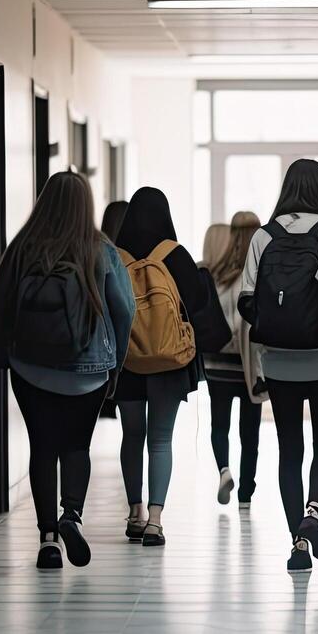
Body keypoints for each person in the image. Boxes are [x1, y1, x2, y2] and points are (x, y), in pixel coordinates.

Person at [0, 171, 135, 569]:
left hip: (30, 366)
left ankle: (48, 538)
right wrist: (114, 365)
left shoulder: (23, 247)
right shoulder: (100, 249)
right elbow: (125, 310)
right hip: (87, 371)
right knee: (76, 447)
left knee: (43, 447)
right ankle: (72, 516)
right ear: (85, 203)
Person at [239, 159, 318, 572]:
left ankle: (298, 545)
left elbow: (245, 302)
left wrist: (274, 325)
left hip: (278, 360)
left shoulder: (264, 235)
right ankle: (313, 511)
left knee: (289, 449)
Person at [112, 186, 208, 548]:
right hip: (169, 360)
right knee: (162, 439)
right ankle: (155, 519)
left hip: (126, 361)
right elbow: (196, 302)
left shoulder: (114, 255)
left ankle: (134, 512)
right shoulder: (174, 254)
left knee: (132, 436)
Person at [201, 212, 266, 509]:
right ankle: (246, 493)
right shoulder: (258, 274)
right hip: (248, 364)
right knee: (249, 430)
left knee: (219, 424)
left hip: (216, 362)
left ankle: (224, 470)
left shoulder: (216, 274)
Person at [98, 199, 130, 418]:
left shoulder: (96, 250)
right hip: (132, 350)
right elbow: (124, 310)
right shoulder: (119, 255)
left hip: (98, 351)